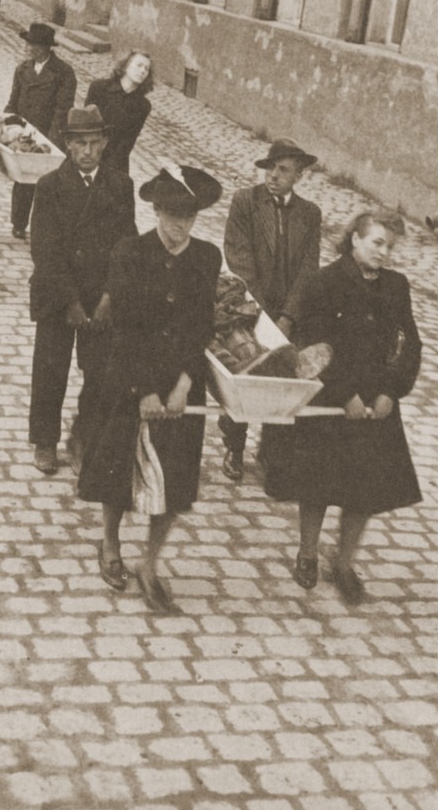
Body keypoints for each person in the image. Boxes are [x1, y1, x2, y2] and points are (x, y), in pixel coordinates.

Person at [78, 164, 223, 614]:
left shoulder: (206, 257)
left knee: (175, 480)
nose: (181, 227)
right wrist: (143, 391)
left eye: (190, 217)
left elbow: (201, 325)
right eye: (174, 215)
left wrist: (184, 383)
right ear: (157, 210)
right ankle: (109, 543)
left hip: (180, 382)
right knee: (118, 472)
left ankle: (150, 564)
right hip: (130, 376)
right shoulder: (129, 253)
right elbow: (124, 329)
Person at [262, 209, 422, 604]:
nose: (383, 253)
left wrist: (391, 391)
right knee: (319, 482)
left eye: (389, 246)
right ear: (354, 239)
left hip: (377, 404)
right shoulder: (325, 283)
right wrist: (344, 394)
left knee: (363, 491)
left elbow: (409, 344)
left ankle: (345, 563)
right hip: (333, 400)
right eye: (376, 243)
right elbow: (313, 344)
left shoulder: (396, 286)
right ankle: (307, 552)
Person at [28, 105, 136, 475]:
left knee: (101, 372)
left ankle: (83, 438)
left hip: (102, 295)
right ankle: (45, 441)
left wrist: (109, 296)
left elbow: (126, 246)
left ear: (105, 143)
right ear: (68, 145)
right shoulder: (49, 187)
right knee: (50, 369)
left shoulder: (121, 186)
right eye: (80, 144)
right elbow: (44, 250)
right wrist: (69, 301)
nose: (88, 151)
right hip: (58, 294)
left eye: (94, 142)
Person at [219, 138, 322, 481]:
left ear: (299, 176)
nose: (273, 176)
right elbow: (239, 259)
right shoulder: (245, 202)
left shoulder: (310, 214)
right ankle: (234, 446)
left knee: (285, 379)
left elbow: (309, 268)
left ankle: (272, 452)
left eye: (283, 170)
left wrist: (289, 317)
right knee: (245, 371)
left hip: (289, 312)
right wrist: (260, 314)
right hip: (249, 306)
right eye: (270, 168)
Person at [5, 22, 77, 240]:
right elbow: (13, 103)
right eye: (28, 44)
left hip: (48, 136)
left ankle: (44, 227)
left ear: (46, 47)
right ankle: (18, 223)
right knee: (23, 180)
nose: (28, 48)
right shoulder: (22, 69)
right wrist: (9, 126)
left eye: (34, 45)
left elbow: (62, 110)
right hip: (25, 136)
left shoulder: (63, 73)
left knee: (47, 184)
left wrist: (50, 142)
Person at [84, 50, 154, 177]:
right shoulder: (99, 88)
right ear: (126, 65)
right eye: (139, 65)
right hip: (86, 152)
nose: (143, 71)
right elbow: (84, 125)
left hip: (115, 162)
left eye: (146, 69)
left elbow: (127, 142)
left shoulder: (143, 106)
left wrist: (106, 169)